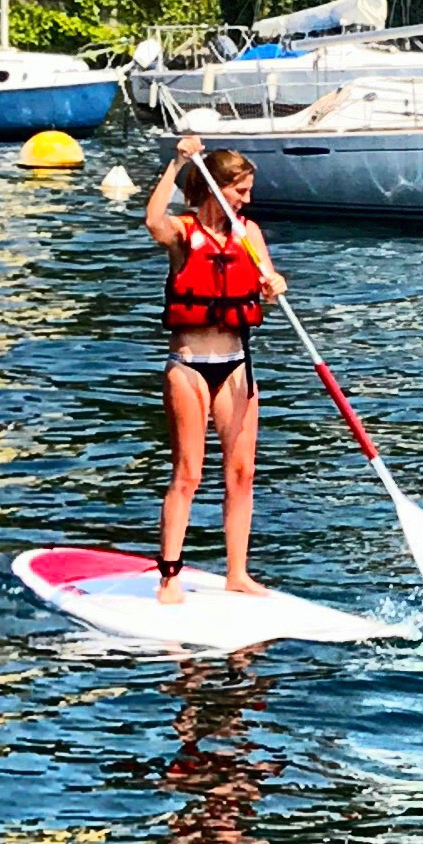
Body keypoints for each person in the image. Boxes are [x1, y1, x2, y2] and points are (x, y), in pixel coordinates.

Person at [145, 138, 286, 603]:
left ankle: (238, 573)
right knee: (188, 473)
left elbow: (267, 281)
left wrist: (273, 284)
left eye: (248, 192)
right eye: (239, 191)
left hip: (236, 364)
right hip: (189, 365)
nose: (245, 200)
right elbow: (152, 221)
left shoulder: (248, 234)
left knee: (241, 472)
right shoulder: (184, 234)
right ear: (214, 188)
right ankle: (169, 576)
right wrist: (179, 163)